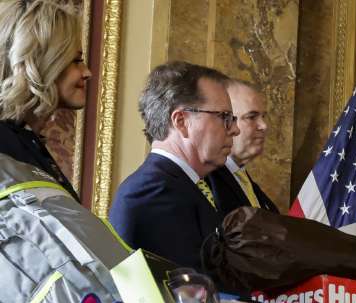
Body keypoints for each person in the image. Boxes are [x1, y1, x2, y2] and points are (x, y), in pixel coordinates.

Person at [109, 61, 237, 271]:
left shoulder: (192, 182)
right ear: (181, 122)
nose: (234, 129)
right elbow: (189, 292)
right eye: (224, 117)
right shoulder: (152, 193)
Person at [0, 0, 91, 199]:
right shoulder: (5, 147)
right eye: (76, 61)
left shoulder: (26, 141)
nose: (87, 72)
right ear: (44, 63)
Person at [206, 78, 278, 216]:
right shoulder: (206, 182)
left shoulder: (245, 180)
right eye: (251, 117)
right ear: (225, 120)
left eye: (263, 116)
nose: (264, 126)